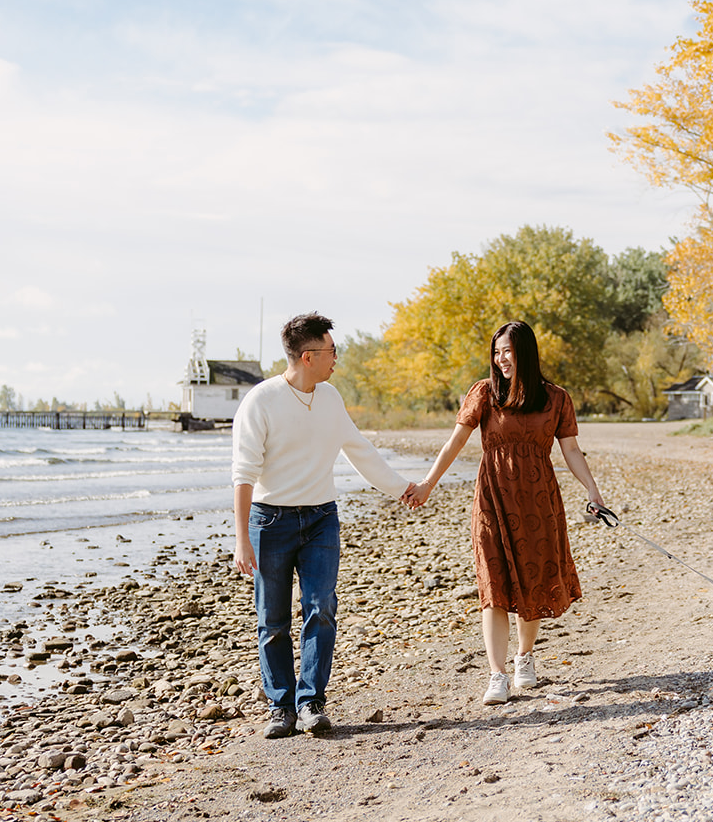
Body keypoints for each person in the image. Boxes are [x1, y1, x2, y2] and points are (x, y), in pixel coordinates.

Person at [232, 312, 418, 738]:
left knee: (322, 609)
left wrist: (403, 488)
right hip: (270, 521)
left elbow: (359, 450)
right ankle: (281, 707)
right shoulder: (260, 401)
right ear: (307, 355)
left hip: (321, 519)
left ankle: (311, 701)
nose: (337, 359)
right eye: (332, 351)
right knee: (272, 619)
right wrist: (242, 540)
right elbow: (243, 474)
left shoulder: (330, 398)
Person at [408, 321, 606, 704]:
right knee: (494, 586)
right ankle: (496, 674)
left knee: (531, 583)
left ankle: (524, 658)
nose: (501, 359)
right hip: (492, 499)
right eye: (496, 352)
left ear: (526, 354)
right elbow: (455, 442)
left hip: (539, 501)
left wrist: (593, 490)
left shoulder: (555, 398)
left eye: (508, 352)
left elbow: (571, 451)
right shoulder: (484, 393)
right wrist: (428, 484)